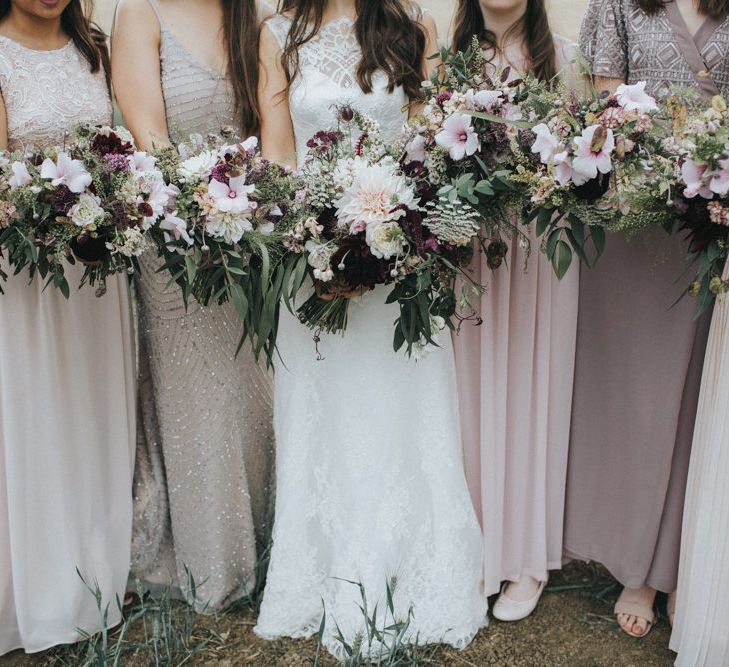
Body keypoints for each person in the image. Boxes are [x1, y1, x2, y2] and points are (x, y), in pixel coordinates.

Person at [253, 0, 487, 657]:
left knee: (398, 407)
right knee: (321, 413)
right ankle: (323, 569)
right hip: (311, 264)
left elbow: (432, 149)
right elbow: (277, 153)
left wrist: (389, 238)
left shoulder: (414, 28)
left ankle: (411, 568)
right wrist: (308, 238)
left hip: (398, 265)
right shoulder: (276, 33)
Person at [565, 0, 729, 639]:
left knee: (694, 398)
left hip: (708, 228)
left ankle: (678, 561)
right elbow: (611, 112)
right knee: (637, 396)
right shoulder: (617, 4)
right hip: (636, 223)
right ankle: (633, 560)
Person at [112, 0, 275, 612]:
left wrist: (251, 208)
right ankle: (212, 562)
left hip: (247, 237)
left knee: (252, 389)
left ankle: (264, 540)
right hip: (175, 243)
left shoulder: (248, 15)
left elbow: (271, 127)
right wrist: (205, 202)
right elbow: (147, 131)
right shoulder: (141, 12)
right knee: (197, 398)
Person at [0, 0, 136, 653]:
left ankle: (99, 572)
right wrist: (49, 213)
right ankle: (49, 589)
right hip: (32, 276)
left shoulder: (95, 49)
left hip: (96, 274)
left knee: (94, 410)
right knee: (40, 414)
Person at [451, 0, 582, 623]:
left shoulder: (561, 55)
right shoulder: (446, 51)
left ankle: (527, 556)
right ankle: (476, 544)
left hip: (538, 244)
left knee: (533, 386)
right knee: (471, 392)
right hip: (470, 242)